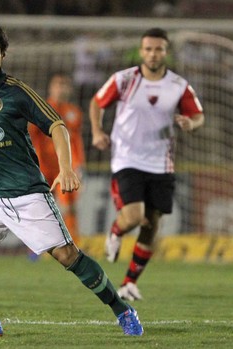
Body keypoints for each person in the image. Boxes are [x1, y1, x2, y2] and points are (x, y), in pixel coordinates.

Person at [0, 22, 142, 337]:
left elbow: (57, 125)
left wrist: (67, 167)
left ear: (2, 55)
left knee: (69, 256)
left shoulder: (16, 92)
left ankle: (122, 311)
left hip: (26, 194)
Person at [89, 27, 204, 301]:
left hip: (161, 162)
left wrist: (191, 123)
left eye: (159, 49)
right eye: (149, 49)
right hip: (127, 157)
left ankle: (129, 282)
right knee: (132, 217)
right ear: (141, 51)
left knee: (152, 224)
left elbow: (198, 115)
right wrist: (96, 131)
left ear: (166, 52)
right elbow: (97, 102)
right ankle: (115, 232)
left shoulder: (178, 85)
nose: (153, 54)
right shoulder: (124, 80)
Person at [28, 73, 85, 245]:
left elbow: (76, 141)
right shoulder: (40, 110)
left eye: (64, 85)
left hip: (65, 168)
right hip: (43, 167)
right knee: (39, 207)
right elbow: (32, 138)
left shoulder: (74, 113)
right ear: (51, 88)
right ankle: (37, 247)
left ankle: (73, 245)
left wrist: (79, 165)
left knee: (69, 206)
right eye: (58, 85)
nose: (61, 89)